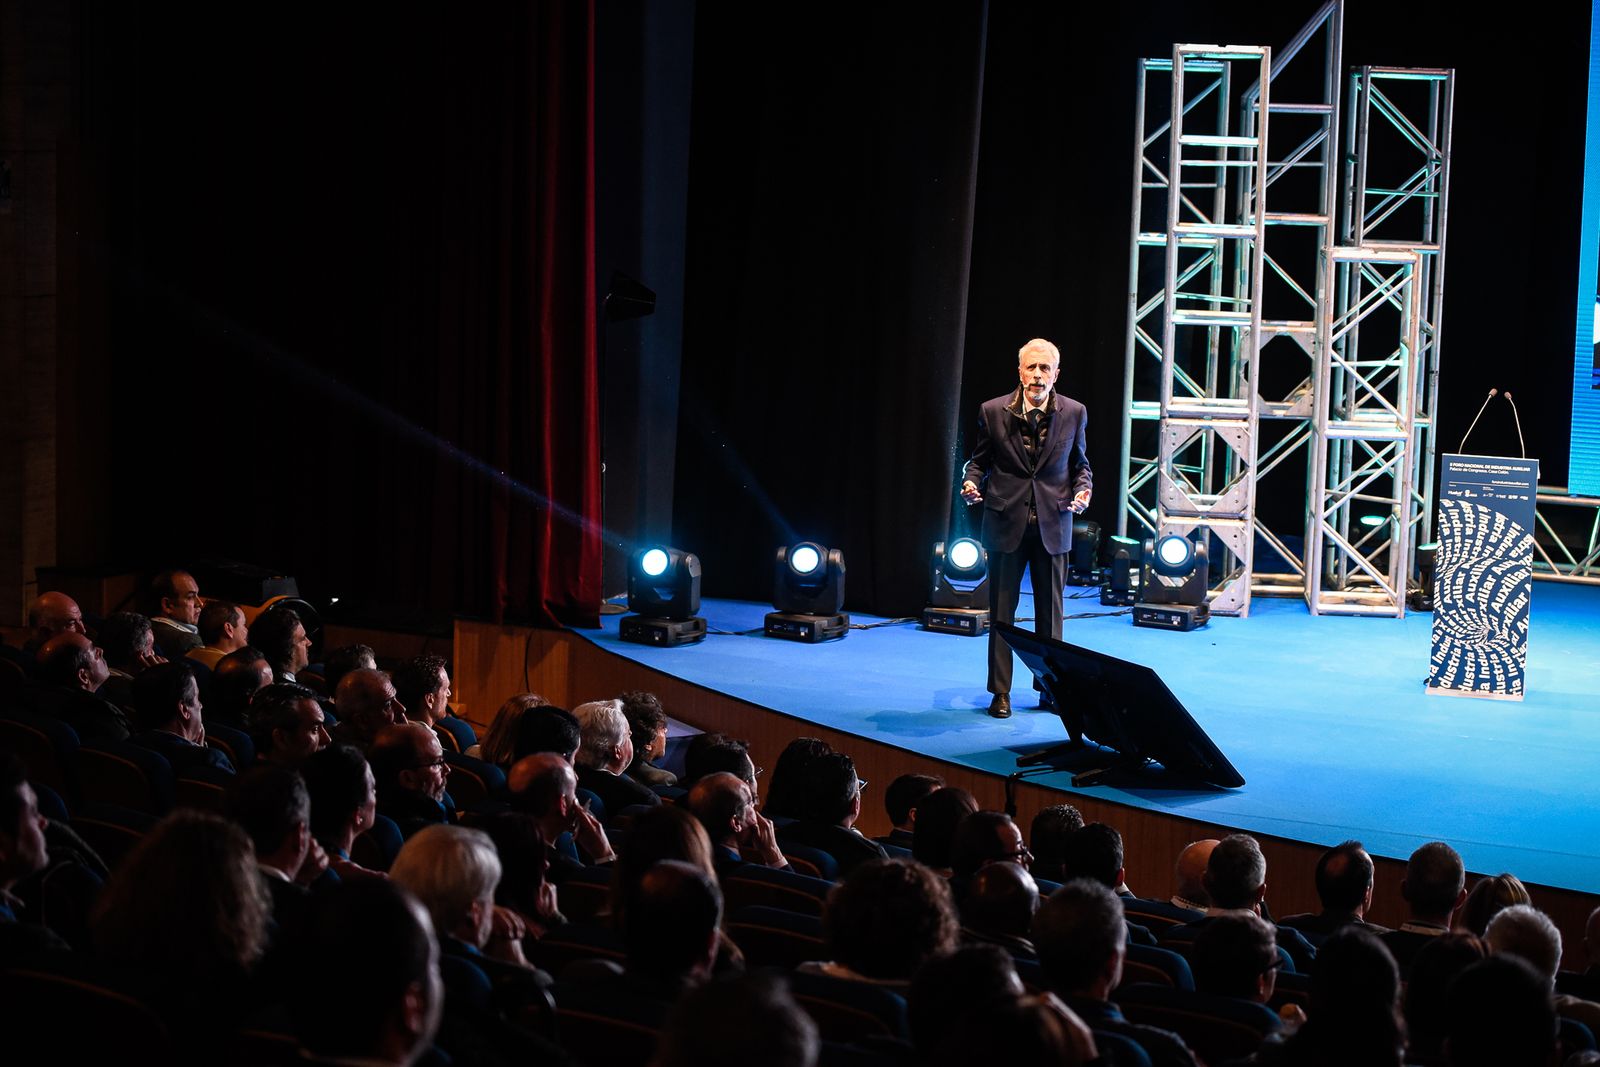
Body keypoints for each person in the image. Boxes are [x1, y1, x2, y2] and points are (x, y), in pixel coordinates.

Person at [960, 337, 1092, 720]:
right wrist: (971, 484)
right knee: (1002, 614)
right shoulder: (992, 411)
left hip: (1054, 523)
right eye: (1031, 367)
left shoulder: (1075, 412)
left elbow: (1081, 466)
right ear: (1019, 371)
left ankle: (1050, 690)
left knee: (1051, 617)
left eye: (1044, 368)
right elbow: (978, 462)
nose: (1037, 375)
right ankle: (1000, 691)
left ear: (1056, 374)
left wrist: (1084, 491)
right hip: (1006, 523)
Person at [147, 569, 204, 659]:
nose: (200, 603)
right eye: (190, 597)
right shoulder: (188, 641)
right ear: (167, 605)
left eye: (197, 595)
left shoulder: (145, 630)